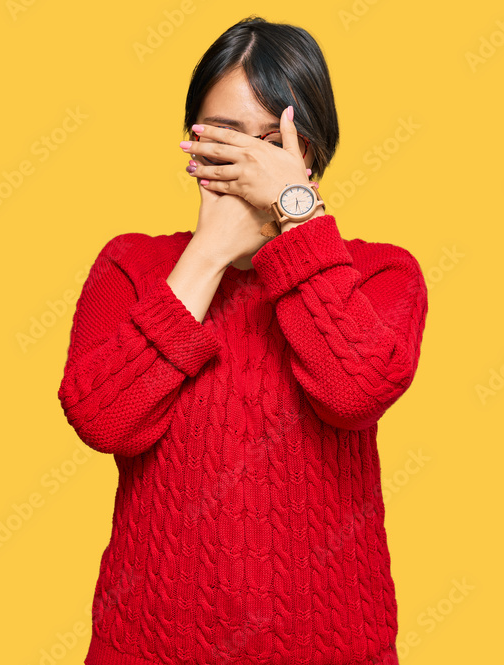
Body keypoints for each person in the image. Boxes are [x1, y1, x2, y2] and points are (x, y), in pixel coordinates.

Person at [57, 15, 428, 665]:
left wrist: (296, 216)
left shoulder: (379, 273)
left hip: (329, 645)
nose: (248, 166)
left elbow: (354, 391)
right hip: (152, 645)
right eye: (227, 139)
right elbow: (102, 418)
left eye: (271, 144)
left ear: (310, 150)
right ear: (192, 142)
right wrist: (205, 259)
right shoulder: (132, 266)